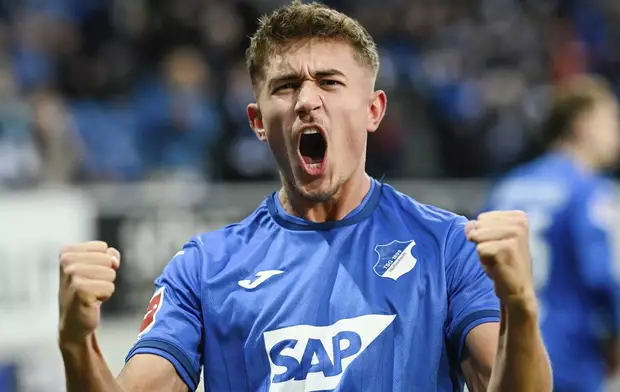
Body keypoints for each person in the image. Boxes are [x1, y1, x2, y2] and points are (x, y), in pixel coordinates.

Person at [57, 2, 552, 391]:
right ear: (256, 122)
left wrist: (521, 308)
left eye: (330, 83)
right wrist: (78, 344)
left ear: (373, 110)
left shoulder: (446, 248)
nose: (308, 101)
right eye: (287, 85)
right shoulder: (204, 269)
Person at [482, 74, 620, 391]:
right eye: (610, 120)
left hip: (507, 352)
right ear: (582, 125)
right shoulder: (589, 191)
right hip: (572, 358)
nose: (616, 132)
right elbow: (601, 275)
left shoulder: (508, 186)